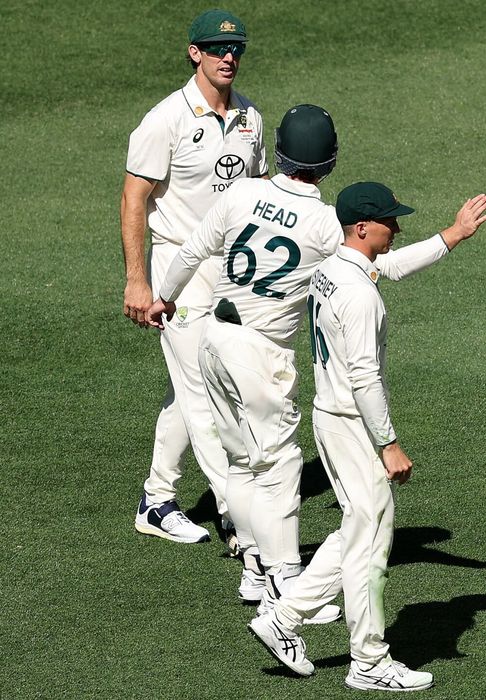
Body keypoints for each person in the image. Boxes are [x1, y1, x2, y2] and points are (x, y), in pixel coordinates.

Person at [146, 105, 486, 619]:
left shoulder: (240, 192)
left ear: (280, 151)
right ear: (329, 163)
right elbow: (387, 266)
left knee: (241, 462)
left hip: (212, 338)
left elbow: (193, 251)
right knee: (281, 467)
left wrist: (165, 298)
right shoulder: (327, 223)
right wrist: (453, 235)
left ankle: (254, 569)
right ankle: (284, 579)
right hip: (260, 353)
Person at [247, 182, 436, 691]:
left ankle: (283, 617)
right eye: (390, 221)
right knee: (371, 542)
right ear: (362, 228)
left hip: (329, 416)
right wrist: (388, 443)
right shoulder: (357, 294)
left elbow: (391, 266)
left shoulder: (331, 269)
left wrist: (452, 236)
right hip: (353, 424)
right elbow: (365, 378)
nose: (397, 228)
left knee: (358, 528)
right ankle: (369, 662)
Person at [122, 8, 263, 550]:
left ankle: (156, 500)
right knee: (204, 389)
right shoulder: (165, 120)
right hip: (179, 269)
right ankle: (239, 518)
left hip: (231, 269)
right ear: (194, 53)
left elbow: (257, 192)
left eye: (236, 49)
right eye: (217, 48)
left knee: (190, 386)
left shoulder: (250, 116)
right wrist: (138, 281)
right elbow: (134, 200)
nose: (229, 57)